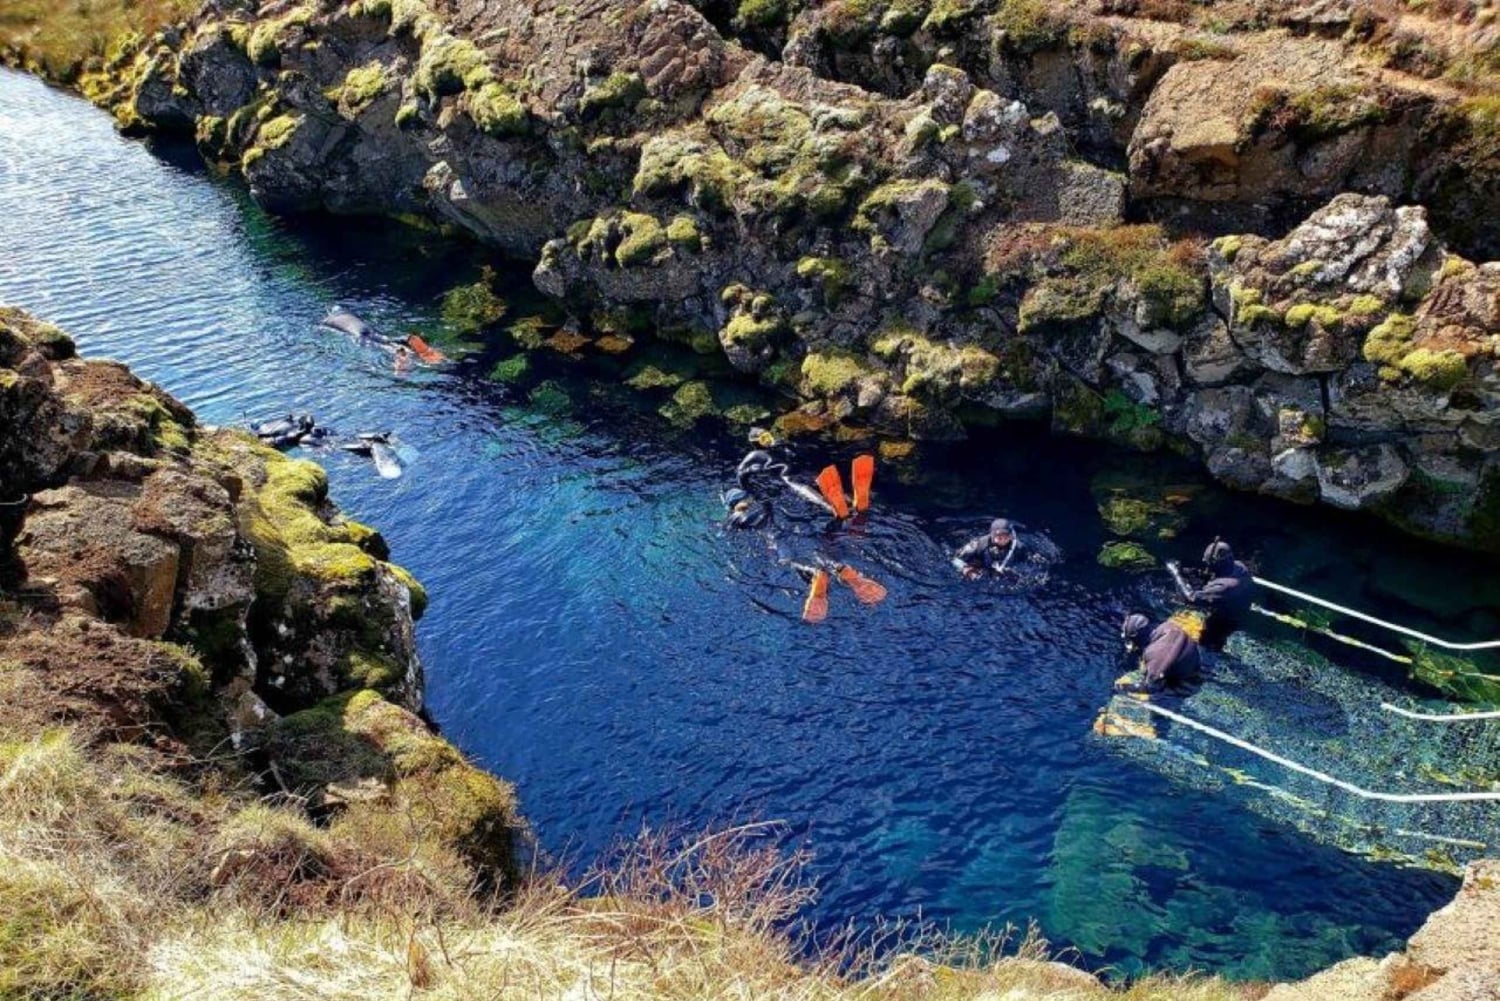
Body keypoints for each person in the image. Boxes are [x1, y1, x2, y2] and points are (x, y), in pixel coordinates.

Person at [1167, 539, 1254, 650]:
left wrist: (1175, 573)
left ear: (1217, 564)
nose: (1207, 567)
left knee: (1207, 643)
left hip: (1224, 621)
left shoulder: (1223, 587)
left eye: (1209, 564)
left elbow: (1191, 598)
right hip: (1240, 611)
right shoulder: (1239, 566)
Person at [1117, 612, 1202, 692]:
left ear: (1136, 637)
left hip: (1185, 683)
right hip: (1194, 663)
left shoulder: (1155, 657)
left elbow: (1151, 687)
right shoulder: (1169, 626)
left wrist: (1122, 687)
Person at [954, 518, 1020, 579]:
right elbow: (955, 559)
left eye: (1006, 537)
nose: (1003, 541)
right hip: (980, 566)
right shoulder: (978, 545)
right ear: (992, 535)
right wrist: (965, 569)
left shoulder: (1017, 547)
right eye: (999, 537)